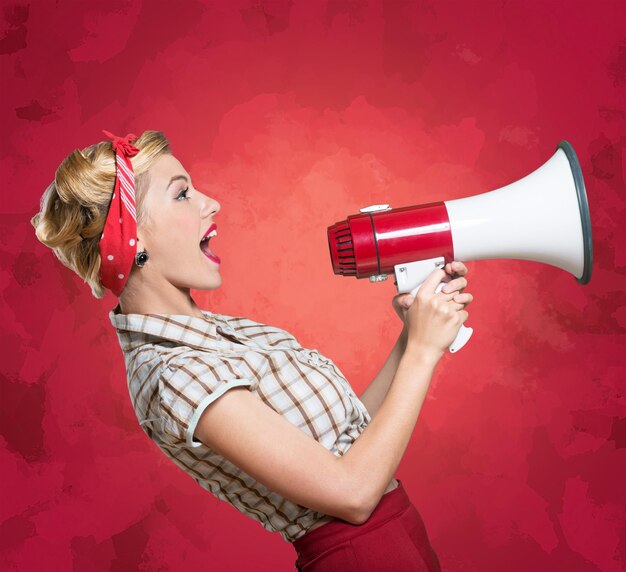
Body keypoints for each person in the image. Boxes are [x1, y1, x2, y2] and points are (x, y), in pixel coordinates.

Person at [32, 130, 473, 571]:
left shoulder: (223, 331)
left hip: (397, 537)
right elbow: (353, 494)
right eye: (183, 194)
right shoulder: (173, 373)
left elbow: (346, 439)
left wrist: (411, 334)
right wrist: (422, 353)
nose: (211, 203)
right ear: (135, 239)